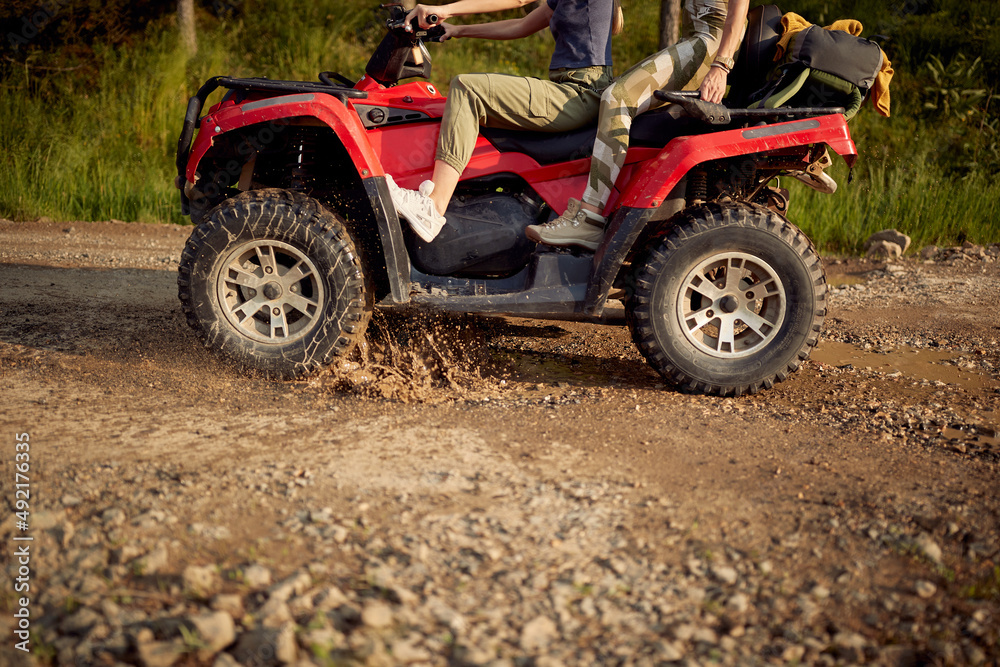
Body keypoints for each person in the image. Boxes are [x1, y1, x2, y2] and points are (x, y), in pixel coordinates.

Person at [387, 0, 622, 243]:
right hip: (569, 88)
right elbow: (520, 25)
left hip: (579, 91)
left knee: (467, 89)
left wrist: (446, 9)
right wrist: (459, 30)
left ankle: (432, 207)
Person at [525, 0, 751, 250]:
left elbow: (739, 8)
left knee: (618, 98)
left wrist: (721, 66)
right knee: (610, 99)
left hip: (712, 42)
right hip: (698, 40)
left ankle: (589, 218)